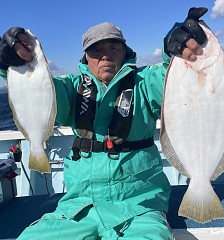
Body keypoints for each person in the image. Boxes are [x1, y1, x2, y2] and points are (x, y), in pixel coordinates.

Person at [0, 7, 208, 240]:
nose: (105, 55)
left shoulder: (145, 82)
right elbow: (39, 89)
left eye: (113, 47)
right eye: (96, 50)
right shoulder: (70, 88)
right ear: (86, 58)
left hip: (139, 207)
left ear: (125, 51)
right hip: (78, 209)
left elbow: (171, 76)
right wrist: (10, 63)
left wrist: (176, 49)